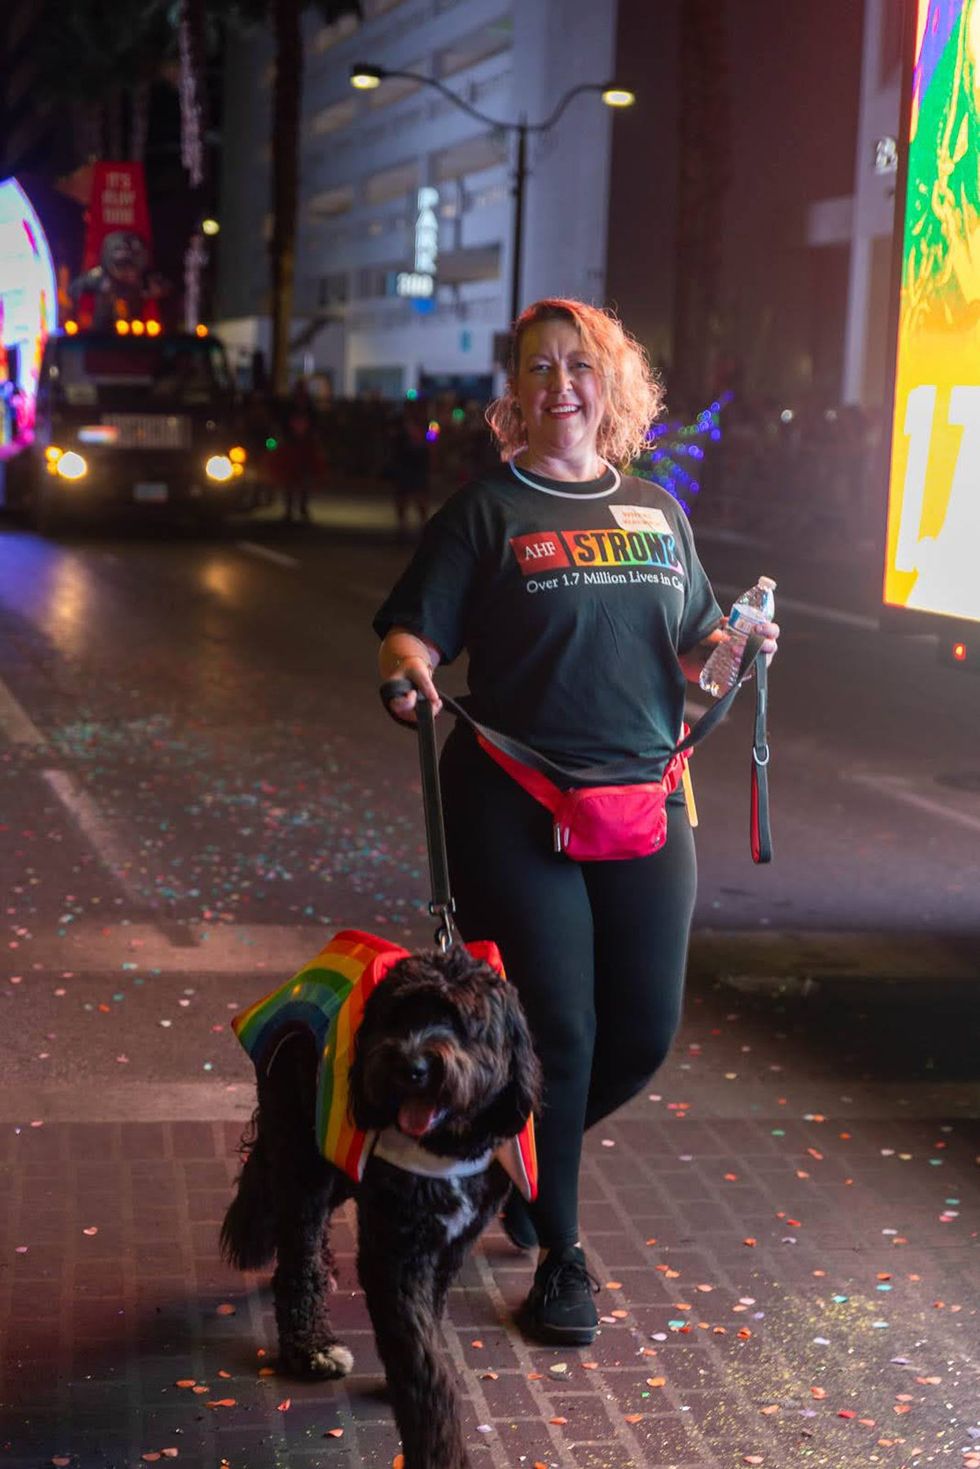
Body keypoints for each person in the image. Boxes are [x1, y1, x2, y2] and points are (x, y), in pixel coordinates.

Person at [373, 298, 779, 1347]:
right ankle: (559, 1252)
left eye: (580, 366)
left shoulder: (655, 510)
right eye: (538, 368)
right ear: (515, 392)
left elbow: (693, 653)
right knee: (560, 1030)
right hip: (515, 798)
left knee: (638, 1034)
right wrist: (408, 676)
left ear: (614, 385)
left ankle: (509, 1155)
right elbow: (413, 634)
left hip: (644, 795)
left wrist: (737, 645)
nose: (560, 384)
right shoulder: (485, 511)